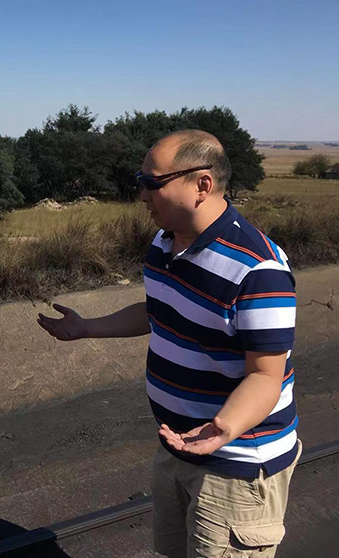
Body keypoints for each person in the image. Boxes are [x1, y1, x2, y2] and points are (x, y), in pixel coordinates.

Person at [38, 130, 299, 557]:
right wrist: (86, 328)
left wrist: (223, 427)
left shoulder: (257, 269)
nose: (141, 194)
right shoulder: (165, 242)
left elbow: (265, 377)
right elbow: (158, 310)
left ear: (202, 185)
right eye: (139, 181)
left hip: (235, 464)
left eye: (152, 183)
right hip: (177, 446)